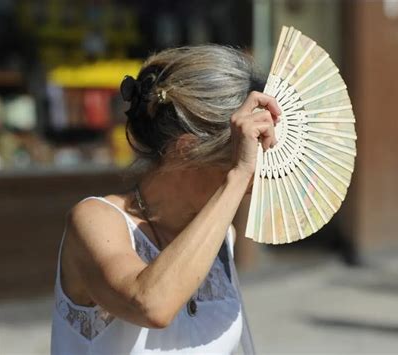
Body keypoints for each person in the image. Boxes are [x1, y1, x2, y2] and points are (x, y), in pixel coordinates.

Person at [50, 45, 281, 354]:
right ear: (186, 149)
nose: (258, 168)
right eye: (245, 150)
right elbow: (151, 305)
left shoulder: (221, 235)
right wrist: (237, 176)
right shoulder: (96, 220)